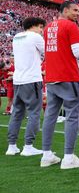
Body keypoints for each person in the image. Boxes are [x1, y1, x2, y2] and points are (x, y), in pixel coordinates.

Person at [40, 1, 79, 169]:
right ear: (65, 10)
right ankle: (68, 157)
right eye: (75, 10)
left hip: (52, 76)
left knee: (50, 115)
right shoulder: (70, 26)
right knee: (73, 115)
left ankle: (46, 155)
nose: (78, 13)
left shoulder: (48, 28)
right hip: (67, 76)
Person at [5, 17, 45, 156]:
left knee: (16, 114)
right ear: (34, 26)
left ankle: (12, 146)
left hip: (18, 80)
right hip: (32, 80)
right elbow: (47, 53)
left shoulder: (17, 37)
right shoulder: (35, 36)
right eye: (41, 27)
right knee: (34, 113)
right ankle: (28, 146)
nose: (42, 31)